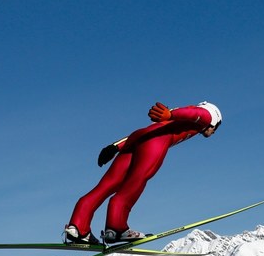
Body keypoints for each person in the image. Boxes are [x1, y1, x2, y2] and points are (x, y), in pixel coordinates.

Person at [64, 101, 222, 244]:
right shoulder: (206, 116)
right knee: (137, 180)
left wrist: (115, 147)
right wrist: (171, 114)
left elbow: (149, 129)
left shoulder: (185, 121)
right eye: (216, 127)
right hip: (156, 141)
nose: (213, 132)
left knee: (107, 185)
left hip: (139, 137)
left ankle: (78, 226)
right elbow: (199, 114)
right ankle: (116, 227)